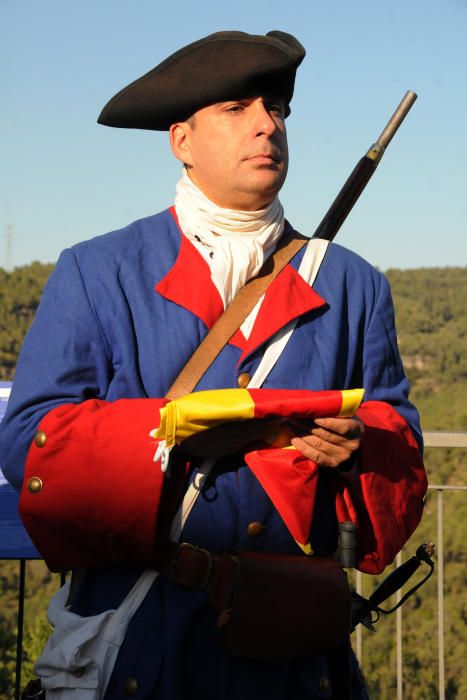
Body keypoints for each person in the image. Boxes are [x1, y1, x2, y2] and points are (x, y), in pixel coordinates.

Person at [0, 30, 427, 699]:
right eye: (236, 108)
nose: (266, 124)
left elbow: (395, 441)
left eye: (276, 110)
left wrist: (357, 448)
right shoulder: (97, 269)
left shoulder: (351, 284)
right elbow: (31, 442)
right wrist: (172, 431)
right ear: (181, 141)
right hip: (142, 634)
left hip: (290, 649)